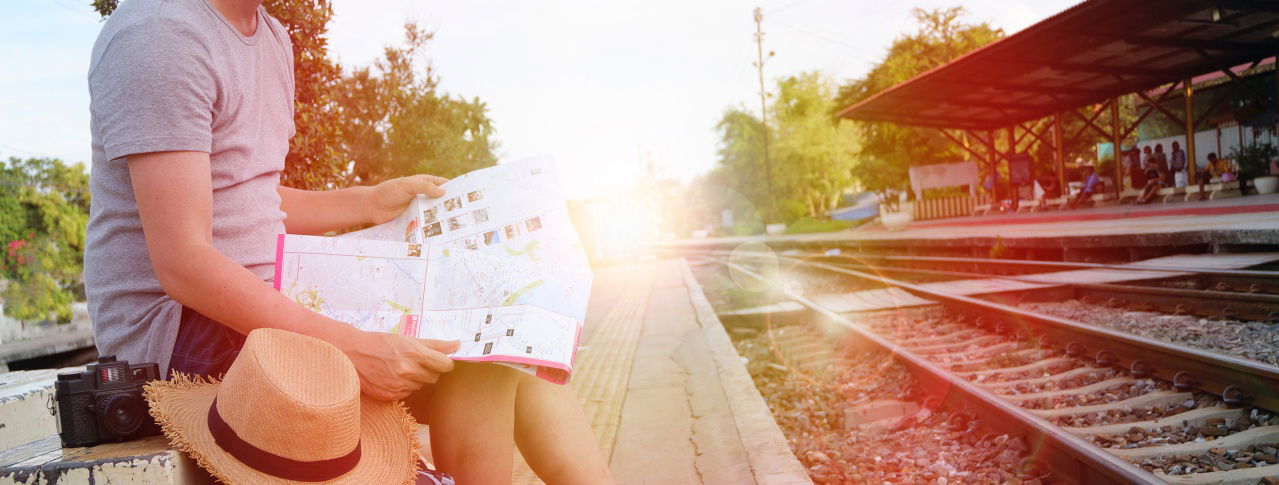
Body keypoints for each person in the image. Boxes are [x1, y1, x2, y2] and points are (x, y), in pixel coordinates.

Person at [85, 1, 614, 484]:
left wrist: (369, 203)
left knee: (507, 340)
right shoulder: (160, 37)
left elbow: (251, 201)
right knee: (472, 362)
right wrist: (350, 346)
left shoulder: (269, 37)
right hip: (182, 329)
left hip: (270, 290)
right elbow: (183, 262)